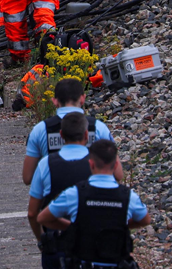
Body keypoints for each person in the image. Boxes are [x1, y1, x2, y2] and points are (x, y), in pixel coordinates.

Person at [27, 113, 123, 269]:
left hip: (58, 245)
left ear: (61, 135)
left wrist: (42, 240)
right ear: (86, 134)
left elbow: (32, 213)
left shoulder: (46, 164)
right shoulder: (99, 163)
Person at [38, 140, 151, 269]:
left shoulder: (76, 193)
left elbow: (43, 218)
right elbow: (145, 220)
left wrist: (72, 228)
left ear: (91, 164)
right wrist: (122, 226)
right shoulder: (128, 196)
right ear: (116, 165)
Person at [23, 78, 114, 185]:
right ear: (82, 99)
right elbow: (116, 173)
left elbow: (27, 177)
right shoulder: (99, 127)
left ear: (55, 101)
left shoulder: (40, 129)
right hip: (90, 197)